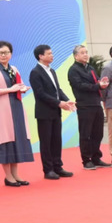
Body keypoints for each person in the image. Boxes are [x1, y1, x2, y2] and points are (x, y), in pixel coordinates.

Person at [0, 41, 34, 187]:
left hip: (17, 107)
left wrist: (23, 88)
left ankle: (16, 174)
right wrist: (10, 90)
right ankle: (8, 176)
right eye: (0, 53)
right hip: (3, 109)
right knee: (6, 140)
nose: (3, 55)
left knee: (17, 139)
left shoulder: (14, 68)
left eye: (6, 52)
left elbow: (20, 84)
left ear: (11, 54)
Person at [29, 45, 76, 180]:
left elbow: (57, 90)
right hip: (44, 112)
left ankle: (58, 167)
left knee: (56, 140)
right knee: (46, 142)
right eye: (49, 53)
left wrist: (67, 100)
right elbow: (40, 94)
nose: (52, 55)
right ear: (40, 56)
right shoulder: (35, 72)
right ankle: (48, 170)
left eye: (52, 53)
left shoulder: (52, 71)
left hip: (55, 111)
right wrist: (58, 103)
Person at [67, 45, 111, 170]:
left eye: (86, 52)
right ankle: (86, 160)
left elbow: (96, 82)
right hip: (84, 105)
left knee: (98, 133)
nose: (86, 55)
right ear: (76, 56)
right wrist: (98, 86)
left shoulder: (90, 68)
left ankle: (96, 158)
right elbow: (80, 86)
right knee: (86, 134)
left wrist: (102, 83)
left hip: (96, 103)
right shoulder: (73, 70)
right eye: (82, 53)